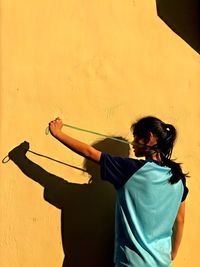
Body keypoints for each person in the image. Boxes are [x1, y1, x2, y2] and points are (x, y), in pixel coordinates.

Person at [49, 116, 188, 267]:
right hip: (163, 262)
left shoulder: (131, 170)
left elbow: (90, 153)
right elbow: (180, 219)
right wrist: (173, 253)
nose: (132, 143)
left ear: (149, 138)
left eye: (136, 137)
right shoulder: (178, 178)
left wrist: (58, 133)